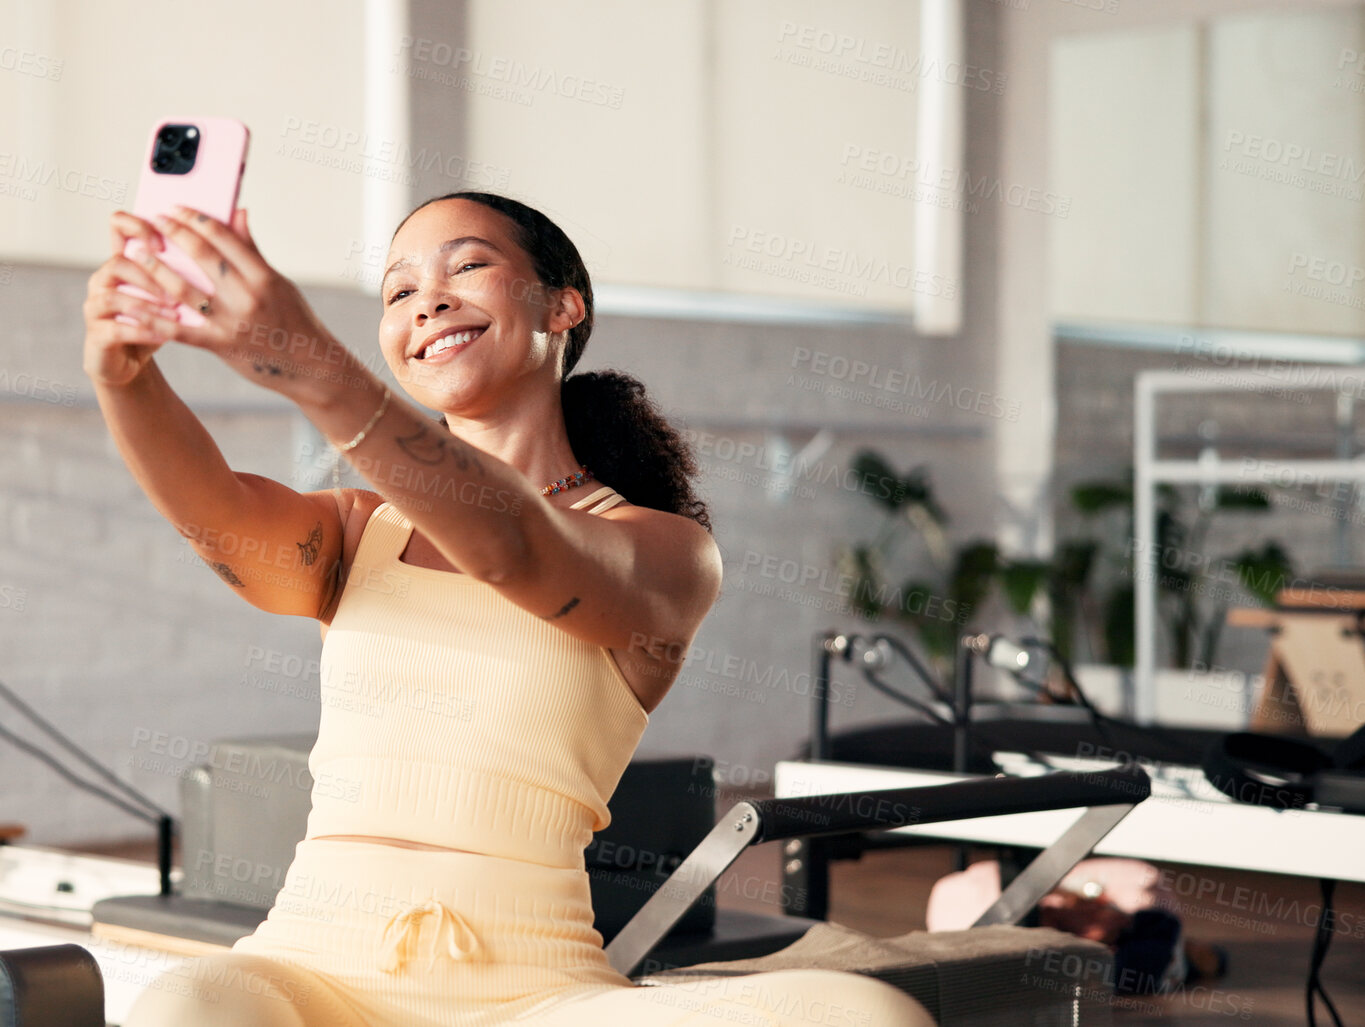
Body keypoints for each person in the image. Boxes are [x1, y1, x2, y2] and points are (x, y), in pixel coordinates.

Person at [85, 191, 934, 1027]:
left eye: (468, 267)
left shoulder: (665, 552)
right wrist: (124, 376)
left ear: (562, 305)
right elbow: (216, 513)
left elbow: (514, 549)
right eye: (398, 291)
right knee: (184, 1006)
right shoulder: (355, 531)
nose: (429, 302)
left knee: (865, 1014)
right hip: (308, 969)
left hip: (532, 993)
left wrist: (311, 363)